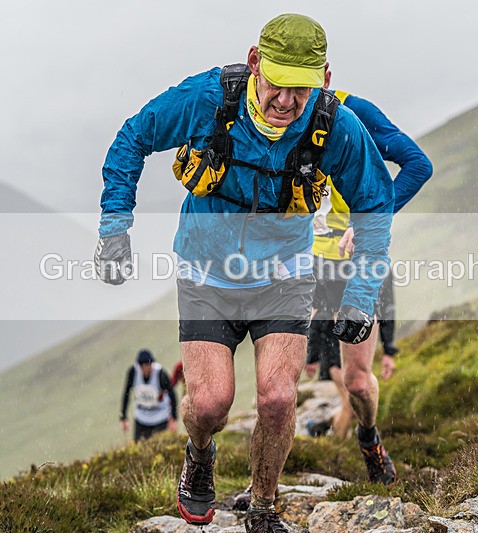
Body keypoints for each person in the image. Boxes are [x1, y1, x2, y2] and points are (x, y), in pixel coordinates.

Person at [94, 14, 394, 531]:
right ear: (255, 62)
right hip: (206, 272)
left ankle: (261, 504)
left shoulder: (336, 126)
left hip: (284, 274)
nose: (286, 101)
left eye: (301, 89)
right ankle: (200, 450)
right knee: (209, 403)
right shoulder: (209, 99)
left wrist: (362, 296)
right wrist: (115, 228)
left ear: (323, 78)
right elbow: (133, 137)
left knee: (278, 398)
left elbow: (375, 207)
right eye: (277, 82)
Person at [305, 74, 433, 440]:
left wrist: (369, 223)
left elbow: (418, 166)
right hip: (305, 264)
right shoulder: (276, 112)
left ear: (323, 76)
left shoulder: (355, 111)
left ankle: (368, 438)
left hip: (353, 263)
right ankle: (268, 486)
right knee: (279, 380)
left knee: (357, 381)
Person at [120, 349, 178, 441]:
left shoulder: (160, 374)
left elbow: (172, 394)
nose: (148, 368)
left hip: (160, 418)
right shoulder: (133, 372)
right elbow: (126, 393)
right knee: (139, 449)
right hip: (141, 418)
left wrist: (174, 418)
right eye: (144, 366)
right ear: (140, 366)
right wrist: (123, 416)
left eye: (149, 365)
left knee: (160, 447)